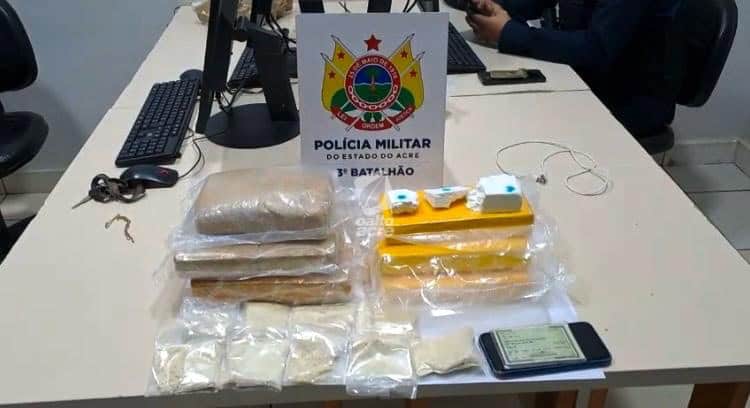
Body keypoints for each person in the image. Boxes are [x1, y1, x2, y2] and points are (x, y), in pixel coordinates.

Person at [466, 0, 684, 140]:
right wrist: (491, 6)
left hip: (628, 97)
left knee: (507, 124)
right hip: (586, 75)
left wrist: (508, 33)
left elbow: (596, 49)